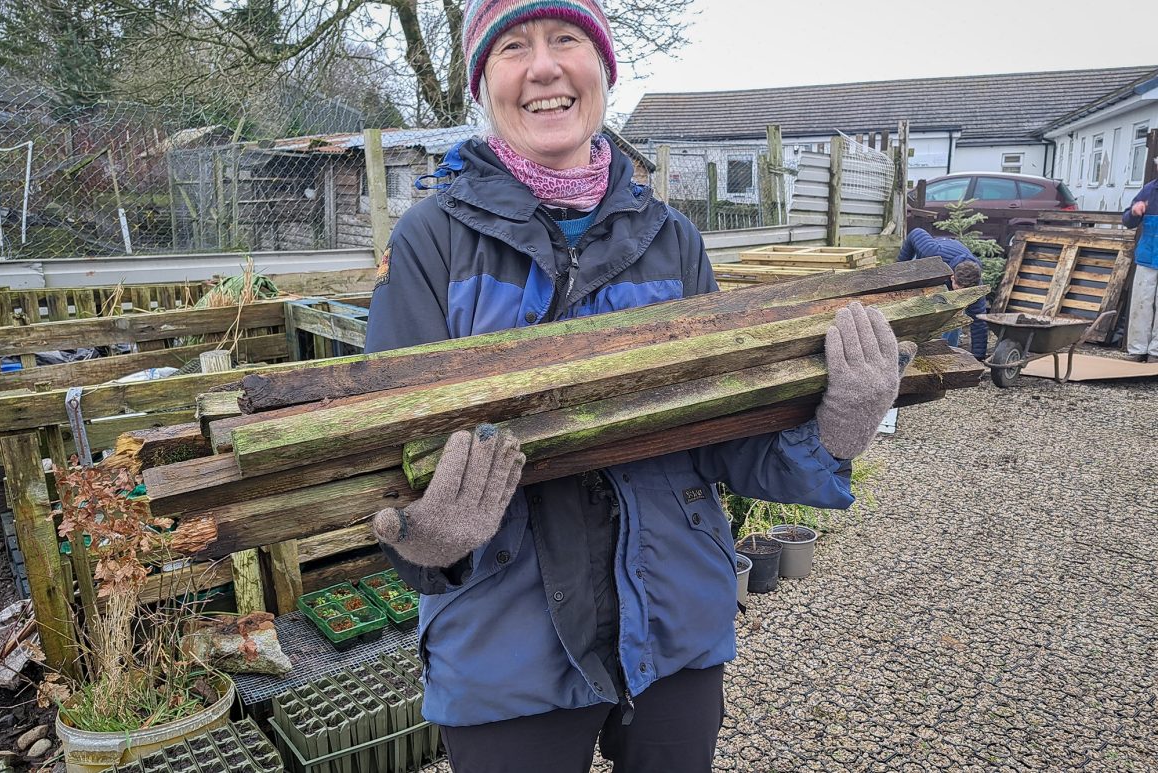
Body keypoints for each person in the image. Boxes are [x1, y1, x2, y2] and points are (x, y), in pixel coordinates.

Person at [363, 2, 911, 770]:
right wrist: (432, 537)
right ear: (484, 83)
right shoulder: (430, 241)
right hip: (503, 644)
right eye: (513, 46)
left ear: (603, 71)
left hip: (674, 626)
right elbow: (381, 463)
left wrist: (834, 429)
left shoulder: (673, 240)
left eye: (567, 40)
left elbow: (728, 443)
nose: (544, 66)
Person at [897, 227, 989, 360]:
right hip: (925, 267)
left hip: (946, 274)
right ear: (952, 276)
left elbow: (979, 320)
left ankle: (945, 355)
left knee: (954, 312)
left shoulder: (976, 285)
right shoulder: (931, 251)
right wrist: (899, 268)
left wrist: (978, 358)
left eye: (963, 290)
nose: (959, 292)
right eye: (957, 287)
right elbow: (916, 232)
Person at [1122, 167, 1158, 362]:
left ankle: (1156, 353)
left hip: (1149, 254)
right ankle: (1137, 350)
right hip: (1147, 256)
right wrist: (1135, 212)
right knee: (1141, 303)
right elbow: (1127, 220)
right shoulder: (1149, 190)